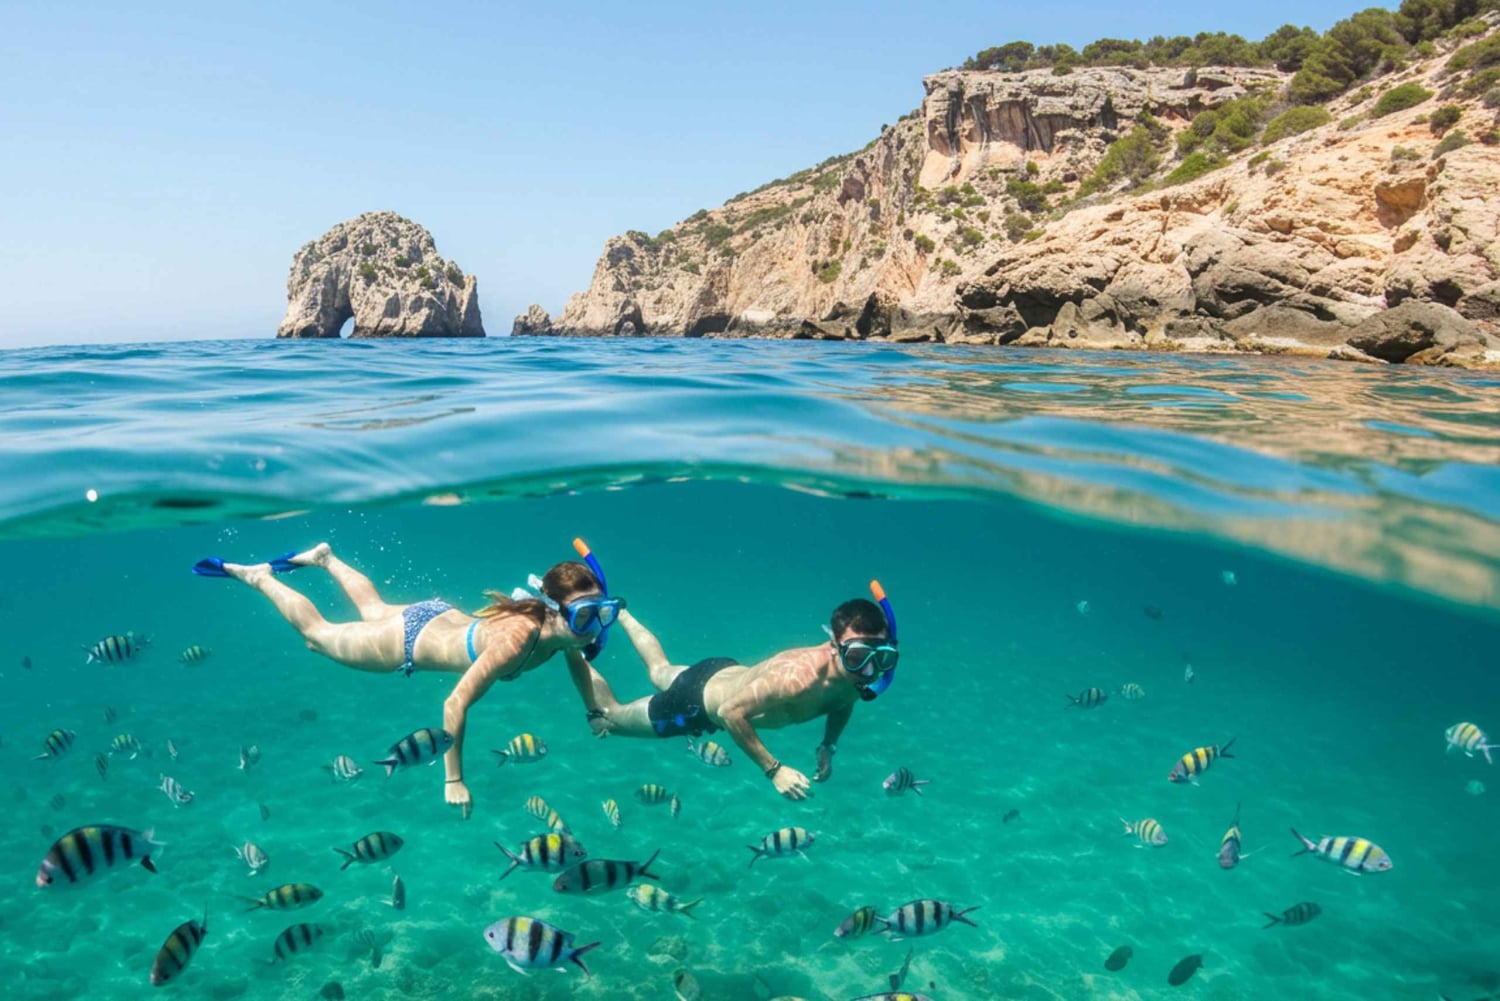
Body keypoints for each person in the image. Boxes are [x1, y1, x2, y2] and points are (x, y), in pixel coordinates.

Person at [191, 539, 622, 818]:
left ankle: (326, 559)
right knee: (317, 637)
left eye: (602, 613)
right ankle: (260, 578)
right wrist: (454, 778)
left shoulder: (561, 632)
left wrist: (593, 710)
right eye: (585, 614)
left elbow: (576, 660)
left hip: (438, 616)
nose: (592, 626)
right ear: (553, 608)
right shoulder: (517, 640)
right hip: (411, 639)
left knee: (374, 609)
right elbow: (454, 704)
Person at [581, 582, 900, 800]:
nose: (870, 671)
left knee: (659, 670)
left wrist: (828, 745)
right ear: (834, 647)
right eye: (858, 657)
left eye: (882, 657)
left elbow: (843, 702)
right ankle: (570, 649)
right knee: (611, 718)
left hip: (719, 672)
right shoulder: (796, 677)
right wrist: (773, 770)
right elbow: (730, 712)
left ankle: (619, 612)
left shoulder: (855, 676)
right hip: (696, 705)